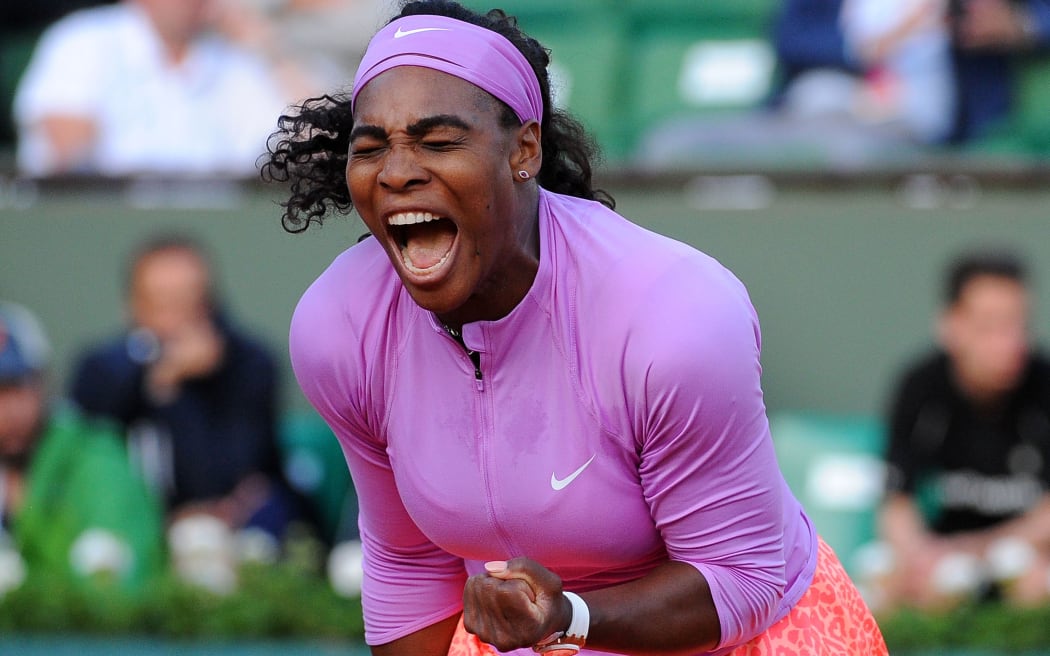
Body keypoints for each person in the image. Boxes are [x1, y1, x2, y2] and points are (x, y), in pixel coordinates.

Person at [263, 2, 887, 654]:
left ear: (523, 150)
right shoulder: (340, 326)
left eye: (438, 141)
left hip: (751, 636)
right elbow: (409, 564)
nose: (396, 172)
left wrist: (571, 619)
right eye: (371, 148)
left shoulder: (674, 317)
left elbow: (741, 577)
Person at [68, 234, 306, 558]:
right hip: (135, 523)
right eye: (162, 303)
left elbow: (241, 465)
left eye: (189, 302)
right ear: (134, 308)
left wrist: (189, 388)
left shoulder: (250, 362)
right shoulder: (103, 369)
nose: (178, 318)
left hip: (237, 523)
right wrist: (163, 382)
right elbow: (92, 447)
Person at [875, 249, 1050, 611]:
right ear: (951, 325)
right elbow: (897, 503)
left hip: (1029, 557)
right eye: (990, 325)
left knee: (1033, 582)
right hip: (946, 564)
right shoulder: (920, 386)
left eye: (1017, 323)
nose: (1009, 341)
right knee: (888, 582)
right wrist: (917, 558)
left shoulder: (1044, 383)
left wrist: (977, 550)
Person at [11, 0, 320, 177]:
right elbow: (67, 154)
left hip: (214, 229)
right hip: (103, 223)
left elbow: (313, 139)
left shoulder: (234, 59)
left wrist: (267, 48)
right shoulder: (83, 40)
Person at [0, 300, 164, 593]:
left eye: (15, 387)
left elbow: (114, 600)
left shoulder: (99, 464)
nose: (7, 410)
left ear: (44, 382)